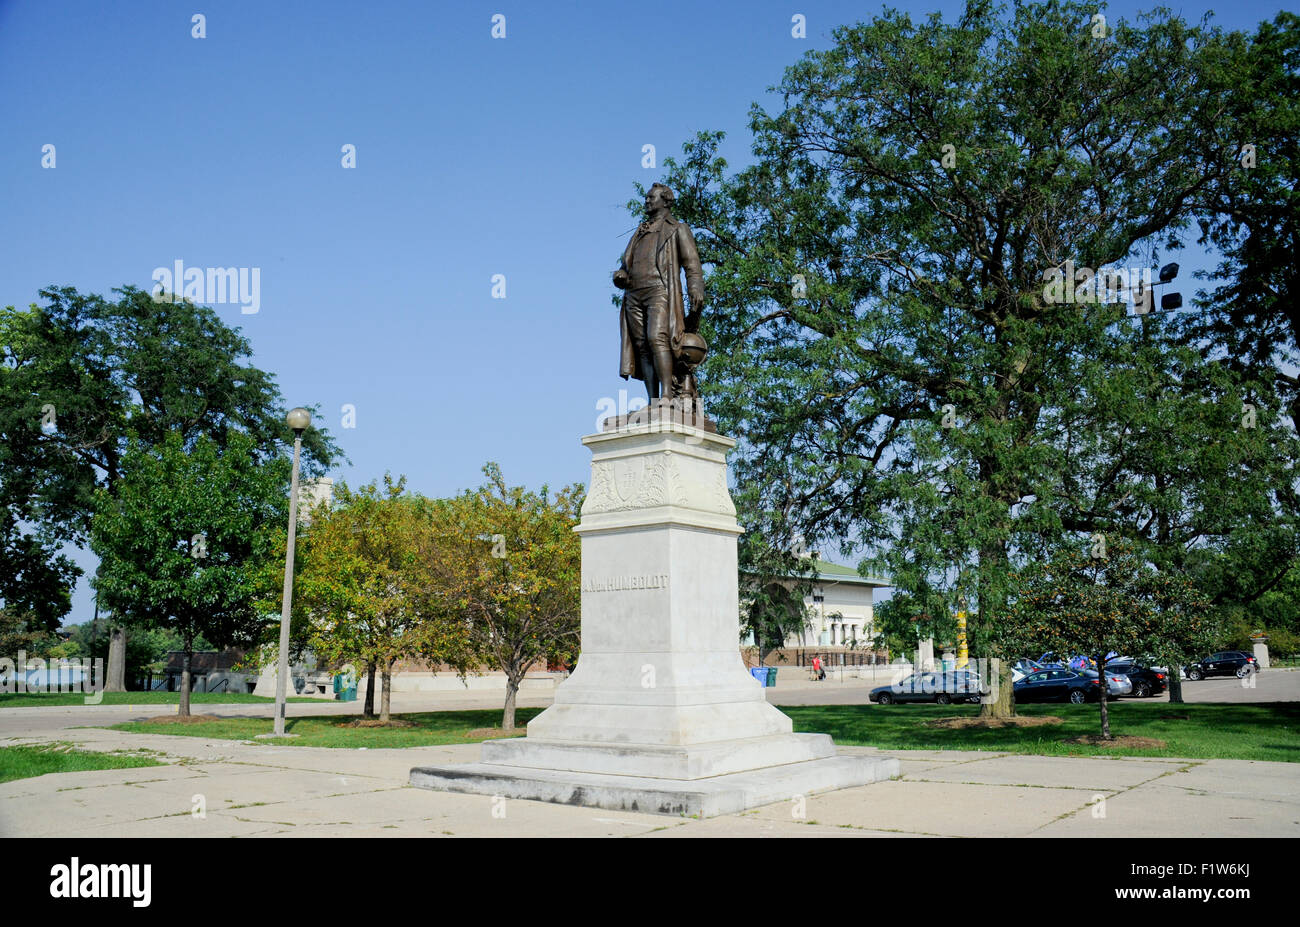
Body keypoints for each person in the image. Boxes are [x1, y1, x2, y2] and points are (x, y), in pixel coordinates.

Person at [612, 183, 706, 403]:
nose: (646, 201)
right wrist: (621, 275)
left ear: (666, 200)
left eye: (651, 197)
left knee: (657, 338)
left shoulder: (677, 228)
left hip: (660, 291)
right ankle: (653, 400)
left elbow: (692, 263)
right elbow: (627, 264)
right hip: (634, 294)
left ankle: (667, 396)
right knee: (642, 346)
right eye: (646, 198)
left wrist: (695, 286)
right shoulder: (640, 231)